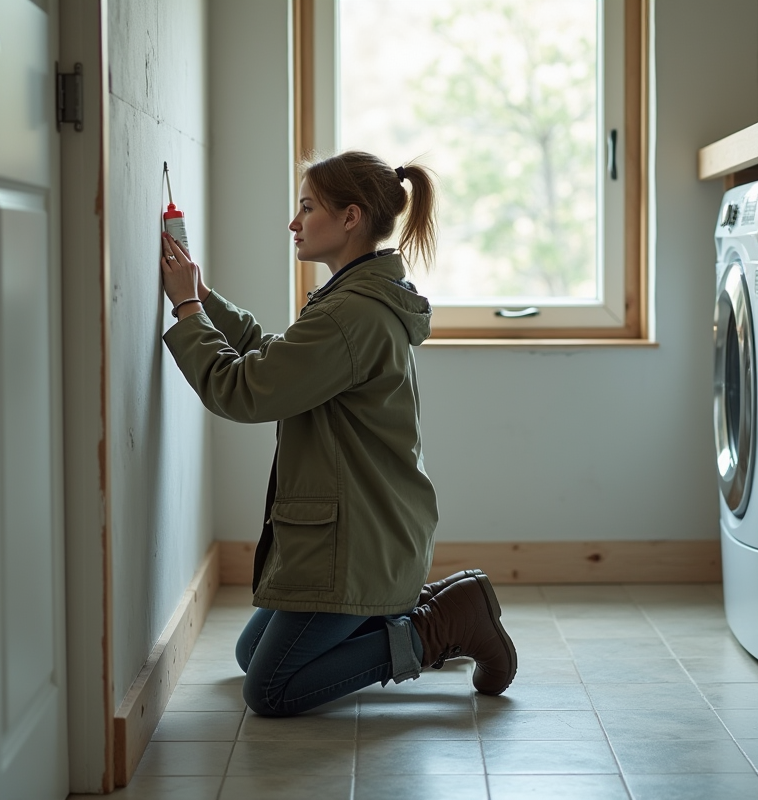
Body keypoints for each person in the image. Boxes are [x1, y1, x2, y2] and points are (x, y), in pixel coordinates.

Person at [159, 150, 517, 717]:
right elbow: (273, 358)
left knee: (270, 689)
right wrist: (200, 297)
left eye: (306, 207)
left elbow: (245, 389)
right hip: (370, 527)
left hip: (358, 541)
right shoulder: (352, 300)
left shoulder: (351, 314)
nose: (293, 222)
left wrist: (184, 308)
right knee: (254, 653)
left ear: (351, 218)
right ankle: (415, 609)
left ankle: (435, 629)